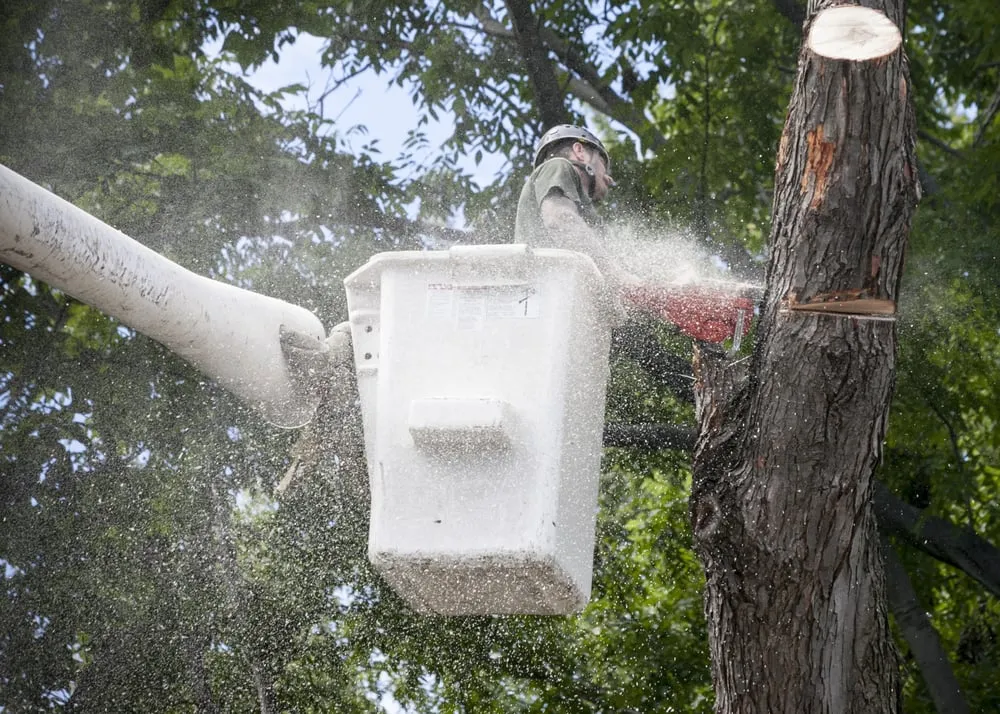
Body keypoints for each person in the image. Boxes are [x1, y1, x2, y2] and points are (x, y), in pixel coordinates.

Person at [513, 124, 638, 303]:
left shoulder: (585, 213)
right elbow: (560, 221)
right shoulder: (558, 166)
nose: (608, 179)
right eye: (603, 165)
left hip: (559, 303)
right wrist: (617, 276)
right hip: (543, 297)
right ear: (580, 151)